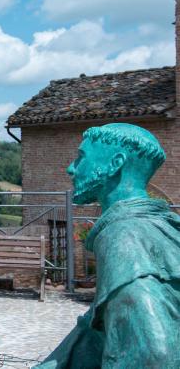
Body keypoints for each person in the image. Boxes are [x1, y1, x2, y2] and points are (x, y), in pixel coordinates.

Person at [36, 124, 180, 369]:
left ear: (114, 164)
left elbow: (153, 352)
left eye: (81, 158)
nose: (71, 168)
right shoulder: (158, 226)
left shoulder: (123, 237)